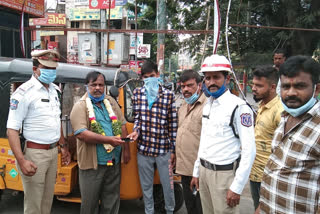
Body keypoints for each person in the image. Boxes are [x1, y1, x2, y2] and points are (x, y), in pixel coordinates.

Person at [6, 49, 71, 214]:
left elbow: (56, 120)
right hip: (35, 153)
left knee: (46, 202)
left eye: (53, 68)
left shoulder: (54, 90)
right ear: (35, 69)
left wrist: (63, 146)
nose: (51, 72)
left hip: (52, 152)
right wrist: (21, 160)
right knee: (34, 205)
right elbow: (12, 130)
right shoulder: (24, 92)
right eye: (46, 68)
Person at [190, 54, 256, 213]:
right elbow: (204, 141)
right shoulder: (208, 106)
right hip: (205, 173)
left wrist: (237, 187)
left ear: (227, 79)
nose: (211, 82)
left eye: (216, 77)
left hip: (224, 176)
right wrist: (197, 172)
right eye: (207, 78)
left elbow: (249, 150)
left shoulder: (239, 107)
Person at [256, 56, 320, 214]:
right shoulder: (284, 117)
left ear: (316, 89)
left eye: (300, 86)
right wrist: (261, 207)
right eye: (286, 86)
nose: (291, 93)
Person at [70, 71, 130, 214]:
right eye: (94, 84)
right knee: (90, 204)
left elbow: (122, 125)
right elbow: (82, 134)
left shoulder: (110, 102)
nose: (97, 88)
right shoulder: (81, 106)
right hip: (93, 165)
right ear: (87, 86)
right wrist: (108, 140)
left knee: (112, 201)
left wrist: (126, 149)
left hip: (113, 162)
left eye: (101, 85)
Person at [127, 60, 177, 214]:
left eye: (153, 76)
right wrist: (136, 130)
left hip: (163, 150)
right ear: (142, 78)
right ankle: (149, 212)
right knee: (146, 187)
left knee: (168, 185)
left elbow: (172, 124)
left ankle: (170, 210)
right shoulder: (137, 94)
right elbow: (137, 118)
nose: (150, 79)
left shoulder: (168, 95)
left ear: (158, 75)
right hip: (144, 150)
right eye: (147, 77)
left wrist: (173, 150)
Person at [249, 66, 283, 210]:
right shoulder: (262, 105)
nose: (253, 88)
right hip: (254, 173)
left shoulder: (280, 111)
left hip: (268, 176)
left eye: (259, 85)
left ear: (272, 87)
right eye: (253, 84)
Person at [176, 69, 205, 214]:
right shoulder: (182, 107)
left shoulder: (207, 107)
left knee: (201, 208)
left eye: (190, 85)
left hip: (200, 170)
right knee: (190, 207)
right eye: (183, 86)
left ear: (199, 85)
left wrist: (198, 171)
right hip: (184, 169)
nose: (186, 89)